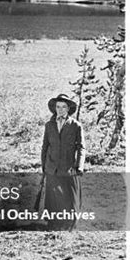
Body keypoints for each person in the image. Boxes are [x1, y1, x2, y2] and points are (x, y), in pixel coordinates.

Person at [41, 94, 86, 231]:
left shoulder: (75, 126)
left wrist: (79, 166)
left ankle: (70, 226)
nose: (60, 110)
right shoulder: (49, 125)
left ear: (68, 109)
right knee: (53, 198)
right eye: (58, 107)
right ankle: (53, 225)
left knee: (70, 198)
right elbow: (45, 147)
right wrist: (44, 166)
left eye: (63, 107)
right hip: (52, 167)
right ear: (55, 108)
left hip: (69, 168)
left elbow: (81, 147)